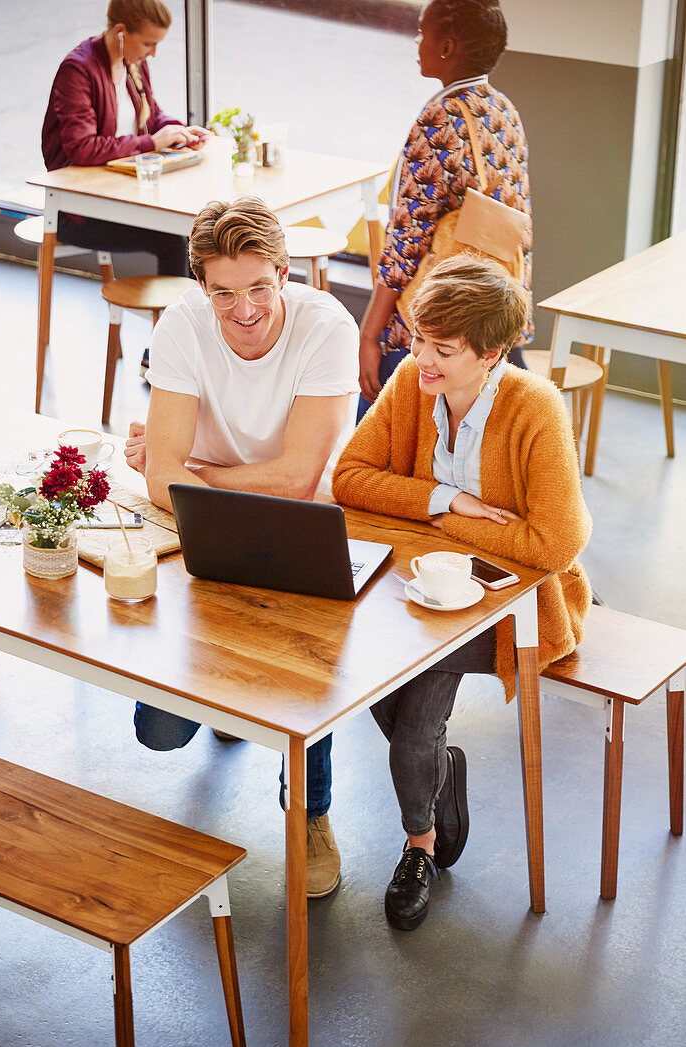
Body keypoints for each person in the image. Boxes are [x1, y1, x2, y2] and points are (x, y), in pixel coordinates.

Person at [333, 255, 591, 929]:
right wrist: (451, 502)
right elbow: (350, 478)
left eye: (442, 349)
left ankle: (419, 845)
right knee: (359, 670)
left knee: (412, 721)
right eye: (418, 340)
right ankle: (439, 772)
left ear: (491, 353)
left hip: (513, 605)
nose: (420, 359)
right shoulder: (409, 386)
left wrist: (437, 523)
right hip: (415, 590)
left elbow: (555, 543)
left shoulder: (534, 407)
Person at [125, 196, 360, 897]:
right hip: (198, 519)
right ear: (201, 284)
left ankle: (311, 813)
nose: (245, 309)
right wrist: (183, 478)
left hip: (301, 522)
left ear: (284, 273)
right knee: (159, 734)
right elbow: (161, 473)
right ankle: (229, 704)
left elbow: (297, 479)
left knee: (302, 670)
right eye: (223, 292)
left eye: (260, 287)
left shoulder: (327, 327)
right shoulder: (182, 324)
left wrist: (196, 474)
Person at [357, 0, 533, 420]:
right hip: (488, 312)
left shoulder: (441, 117)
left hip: (432, 320)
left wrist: (369, 333)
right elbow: (516, 223)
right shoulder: (503, 110)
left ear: (448, 47)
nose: (417, 43)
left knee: (379, 440)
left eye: (423, 33)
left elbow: (406, 241)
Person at [42, 0, 210, 277]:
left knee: (200, 231)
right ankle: (176, 320)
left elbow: (151, 117)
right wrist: (154, 142)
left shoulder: (132, 62)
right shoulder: (77, 70)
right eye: (148, 44)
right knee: (176, 240)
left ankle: (197, 319)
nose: (153, 53)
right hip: (78, 211)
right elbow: (83, 149)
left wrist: (179, 131)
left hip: (121, 195)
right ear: (121, 32)